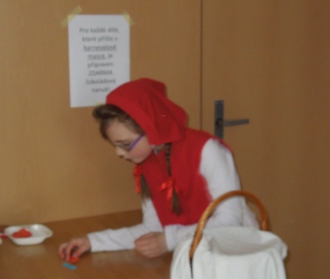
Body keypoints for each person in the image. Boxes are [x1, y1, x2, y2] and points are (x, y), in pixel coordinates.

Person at [58, 78, 256, 261]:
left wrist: (168, 240)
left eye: (125, 145)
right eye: (115, 145)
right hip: (192, 257)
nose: (119, 153)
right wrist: (92, 241)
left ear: (152, 129)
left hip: (234, 257)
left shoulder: (208, 150)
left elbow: (230, 222)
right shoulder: (147, 161)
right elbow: (152, 229)